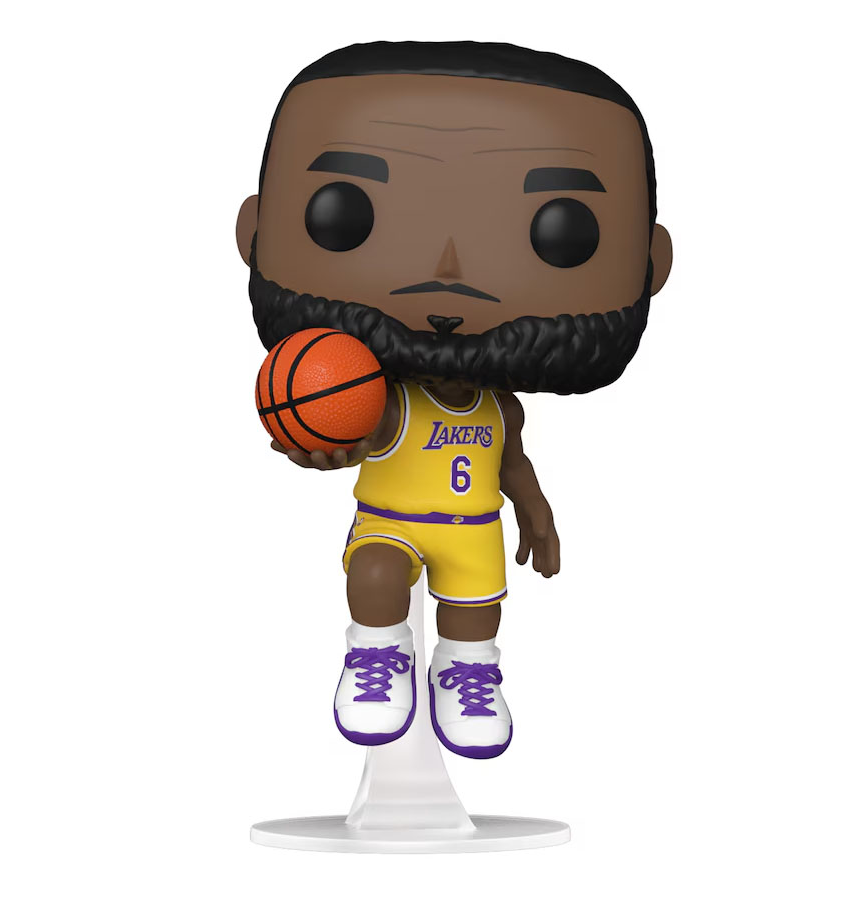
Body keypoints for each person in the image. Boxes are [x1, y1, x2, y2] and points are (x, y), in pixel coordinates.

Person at [236, 41, 672, 758]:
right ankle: (375, 655)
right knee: (375, 574)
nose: (447, 279)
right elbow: (357, 432)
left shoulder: (501, 408)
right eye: (345, 214)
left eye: (562, 231)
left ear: (650, 263)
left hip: (474, 529)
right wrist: (318, 447)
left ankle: (467, 672)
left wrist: (536, 511)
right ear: (255, 233)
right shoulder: (383, 396)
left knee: (477, 612)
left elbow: (513, 462)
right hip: (391, 524)